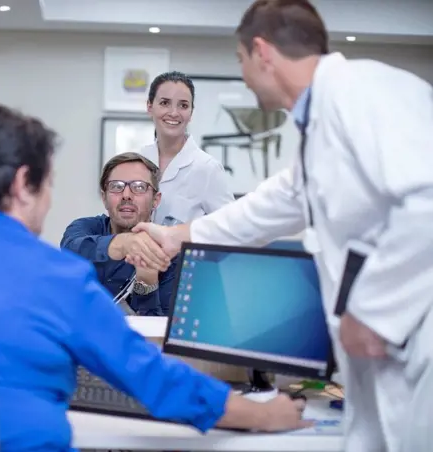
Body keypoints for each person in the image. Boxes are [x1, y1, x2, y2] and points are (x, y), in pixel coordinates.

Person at [0, 104, 310, 451]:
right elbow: (153, 380)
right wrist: (265, 415)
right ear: (26, 182)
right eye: (49, 182)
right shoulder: (56, 276)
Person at [130, 1, 433, 451]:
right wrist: (176, 236)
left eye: (240, 62)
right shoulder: (319, 127)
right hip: (375, 354)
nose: (244, 75)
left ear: (261, 52)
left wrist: (375, 314)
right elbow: (268, 206)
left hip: (409, 342)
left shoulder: (367, 90)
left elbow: (426, 198)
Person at [61, 152, 173, 315]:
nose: (126, 195)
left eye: (139, 187)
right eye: (116, 186)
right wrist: (126, 244)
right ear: (104, 197)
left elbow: (160, 333)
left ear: (156, 199)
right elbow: (71, 250)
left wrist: (146, 283)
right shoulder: (85, 228)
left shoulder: (169, 252)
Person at [139, 71, 234, 225]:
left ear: (191, 113)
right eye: (164, 103)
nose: (174, 113)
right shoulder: (139, 160)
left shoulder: (207, 168)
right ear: (150, 107)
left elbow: (231, 227)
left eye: (183, 105)